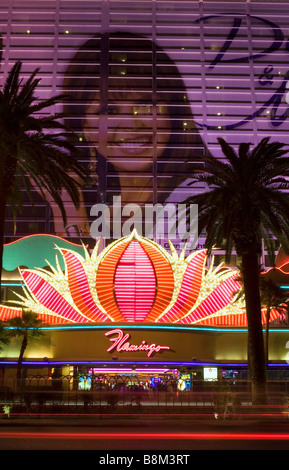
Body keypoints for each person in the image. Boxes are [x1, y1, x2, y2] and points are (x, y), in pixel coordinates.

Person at [59, 31, 208, 242]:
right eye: (109, 110)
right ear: (84, 127)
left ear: (173, 115)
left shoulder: (194, 195)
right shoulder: (101, 206)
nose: (131, 124)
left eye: (146, 105)